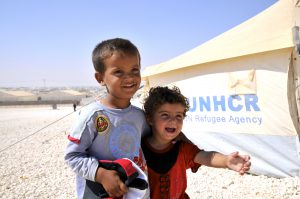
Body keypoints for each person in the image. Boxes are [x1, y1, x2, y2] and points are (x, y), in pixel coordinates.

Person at [64, 38, 150, 199]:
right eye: (118, 72)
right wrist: (101, 174)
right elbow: (72, 156)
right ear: (100, 78)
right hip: (100, 193)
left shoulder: (140, 116)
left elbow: (150, 143)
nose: (130, 77)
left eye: (135, 70)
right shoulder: (92, 116)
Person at [141, 86, 251, 199]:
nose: (173, 120)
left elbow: (206, 156)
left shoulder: (183, 149)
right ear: (150, 119)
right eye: (165, 115)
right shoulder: (138, 150)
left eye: (179, 115)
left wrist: (226, 161)